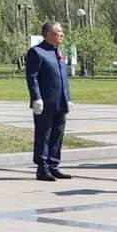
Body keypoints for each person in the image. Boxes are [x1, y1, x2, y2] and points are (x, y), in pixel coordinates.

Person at [25, 20, 72, 182]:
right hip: (44, 103)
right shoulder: (37, 52)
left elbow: (63, 77)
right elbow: (32, 78)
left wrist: (68, 98)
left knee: (58, 134)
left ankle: (53, 166)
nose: (62, 34)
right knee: (44, 134)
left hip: (61, 102)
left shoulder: (59, 51)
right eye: (58, 31)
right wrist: (36, 97)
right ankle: (43, 168)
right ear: (48, 34)